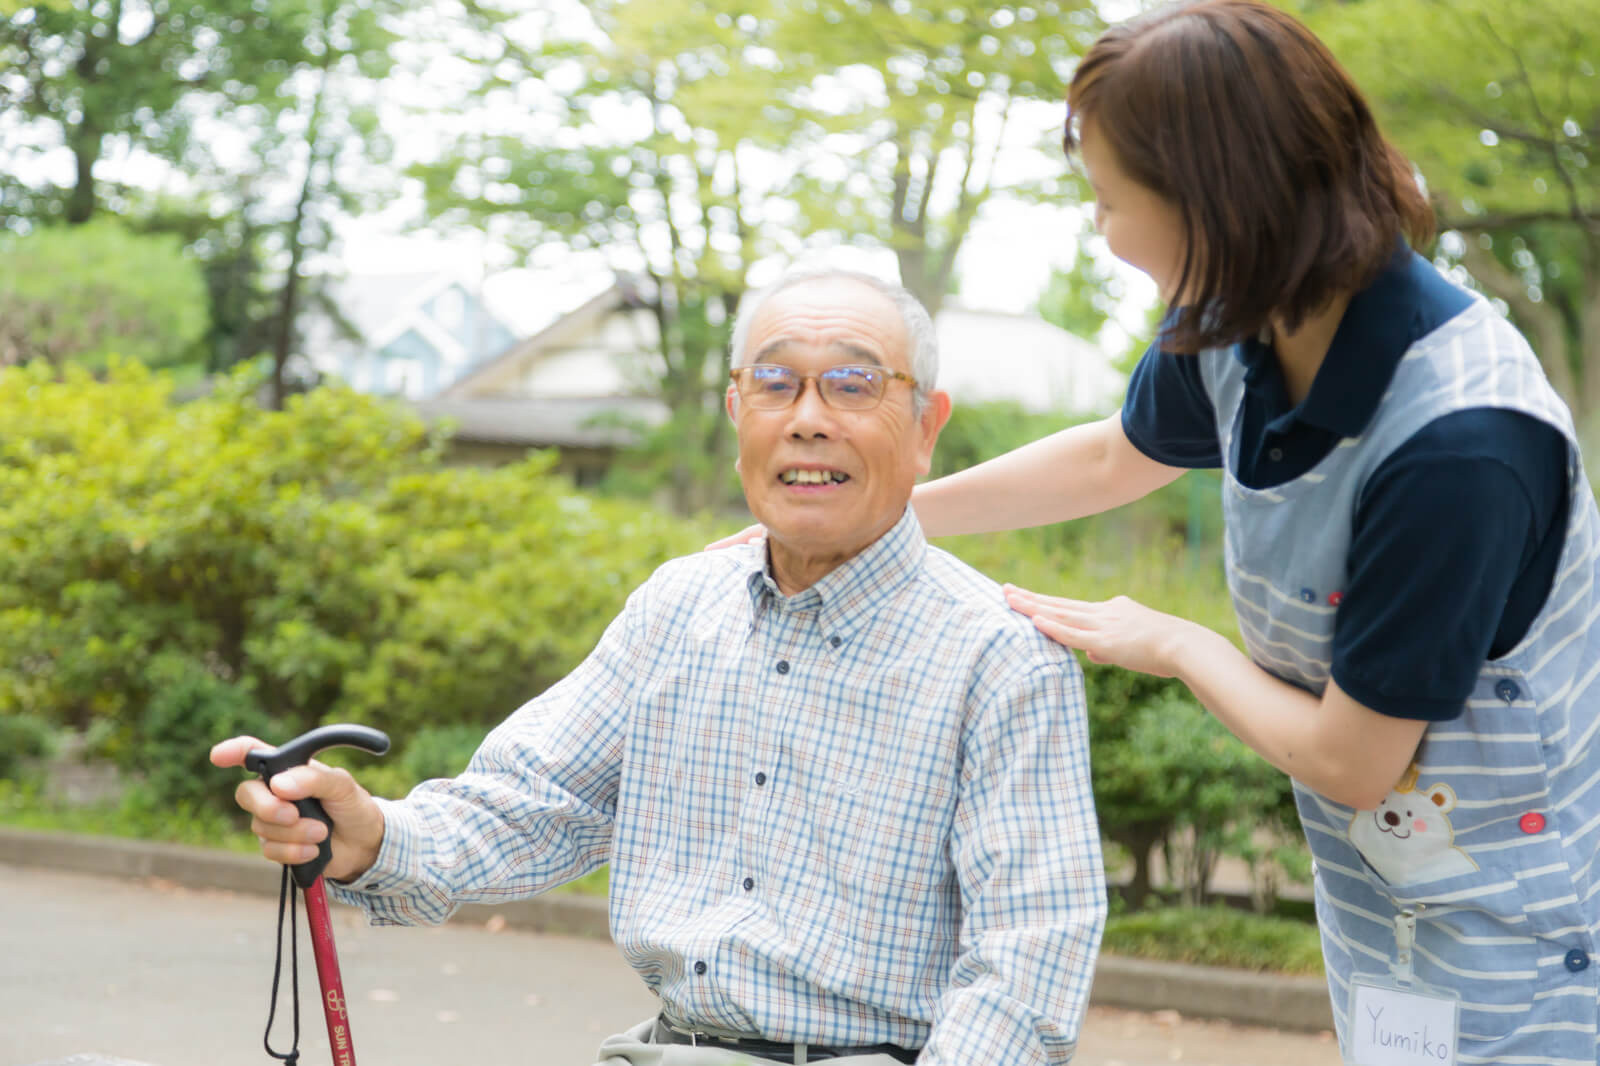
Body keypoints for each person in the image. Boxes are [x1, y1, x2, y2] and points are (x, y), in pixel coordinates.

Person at [709, 3, 1600, 1061]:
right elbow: (1109, 457)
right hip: (1386, 901)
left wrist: (1176, 643)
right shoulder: (1244, 321)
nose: (1099, 227)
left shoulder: (1458, 444)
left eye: (1106, 200)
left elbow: (1353, 761)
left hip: (1526, 928)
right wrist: (870, 516)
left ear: (1213, 201)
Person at [212, 268, 1107, 1065]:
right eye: (775, 382)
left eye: (852, 384)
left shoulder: (1002, 657)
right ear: (736, 413)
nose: (806, 419)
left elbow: (1027, 963)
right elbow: (536, 801)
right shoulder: (679, 607)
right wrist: (370, 834)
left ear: (925, 427)